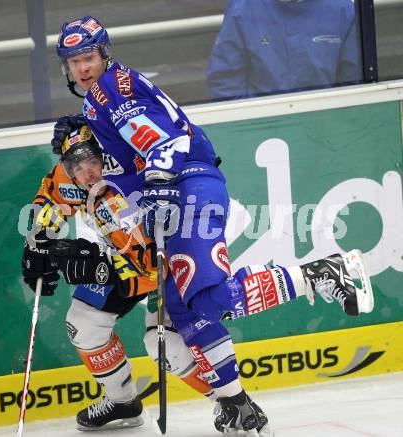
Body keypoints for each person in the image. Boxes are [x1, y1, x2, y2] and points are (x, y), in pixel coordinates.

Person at [49, 15, 374, 435]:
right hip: (174, 191)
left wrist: (159, 182)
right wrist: (87, 132)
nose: (81, 68)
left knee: (208, 297)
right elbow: (125, 156)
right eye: (73, 62)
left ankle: (322, 272)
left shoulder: (111, 90)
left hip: (188, 186)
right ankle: (236, 405)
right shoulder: (97, 101)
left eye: (88, 57)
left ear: (104, 55)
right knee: (185, 313)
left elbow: (167, 142)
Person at [21, 126, 215, 431]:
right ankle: (123, 402)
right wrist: (38, 243)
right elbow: (51, 199)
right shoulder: (74, 174)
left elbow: (151, 258)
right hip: (125, 261)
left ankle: (230, 403)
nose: (86, 175)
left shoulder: (132, 170)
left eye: (92, 164)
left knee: (165, 343)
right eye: (77, 168)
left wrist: (102, 265)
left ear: (106, 157)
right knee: (83, 323)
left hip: (171, 259)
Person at [206, 0, 362, 101]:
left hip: (324, 121)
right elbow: (225, 82)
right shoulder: (243, 8)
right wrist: (251, 122)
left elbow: (353, 83)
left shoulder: (342, 9)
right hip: (261, 123)